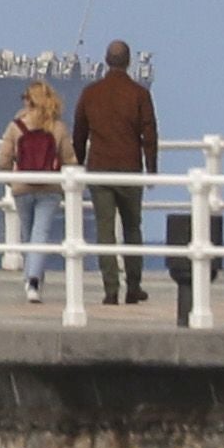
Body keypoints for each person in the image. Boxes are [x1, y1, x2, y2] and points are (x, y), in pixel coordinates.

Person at [73, 40, 161, 304]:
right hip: (129, 169)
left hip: (99, 169)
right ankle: (133, 286)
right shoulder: (138, 94)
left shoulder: (91, 93)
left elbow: (79, 133)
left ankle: (110, 289)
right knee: (133, 228)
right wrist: (152, 169)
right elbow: (150, 133)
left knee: (105, 230)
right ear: (129, 61)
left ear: (106, 60)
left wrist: (78, 163)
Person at [0, 81, 71, 303]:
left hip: (22, 188)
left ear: (28, 100)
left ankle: (30, 281)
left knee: (29, 235)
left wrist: (12, 180)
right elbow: (70, 159)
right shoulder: (57, 127)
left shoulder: (16, 127)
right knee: (40, 235)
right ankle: (33, 282)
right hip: (49, 188)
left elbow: (3, 158)